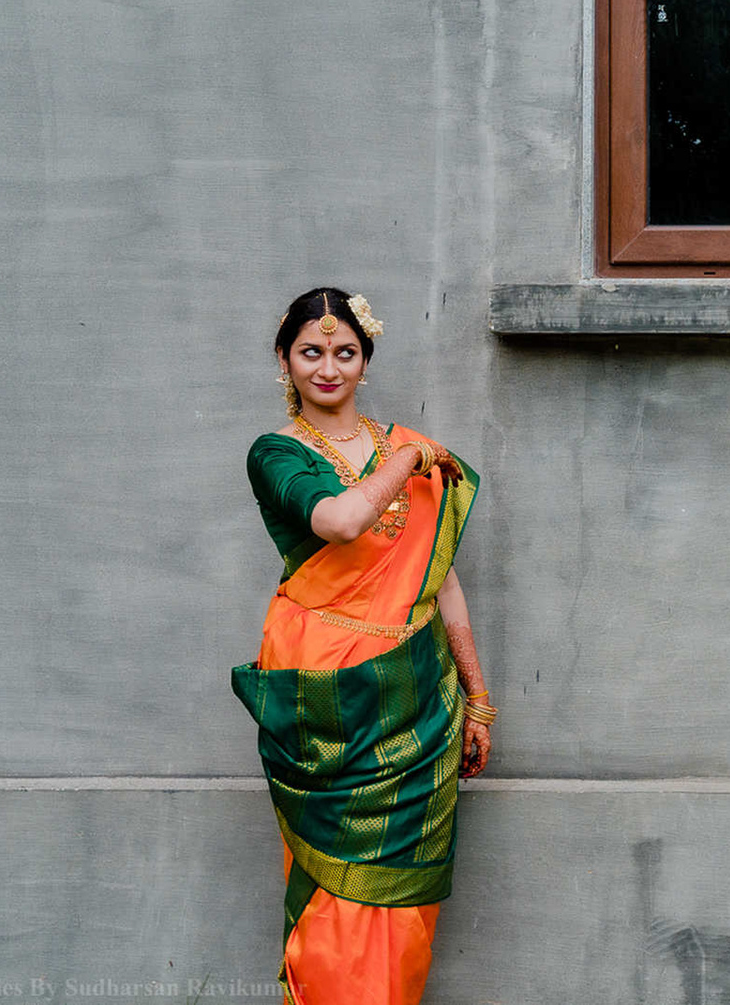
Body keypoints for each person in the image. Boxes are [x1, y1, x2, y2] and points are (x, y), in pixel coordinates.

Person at [231, 288, 495, 1005]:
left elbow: (441, 580)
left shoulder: (404, 445)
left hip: (419, 694)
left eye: (344, 351)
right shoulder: (277, 452)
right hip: (327, 699)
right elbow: (340, 520)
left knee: (404, 900)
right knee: (333, 887)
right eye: (311, 351)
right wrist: (407, 459)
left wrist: (478, 697)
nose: (328, 367)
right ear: (285, 359)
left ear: (365, 361)